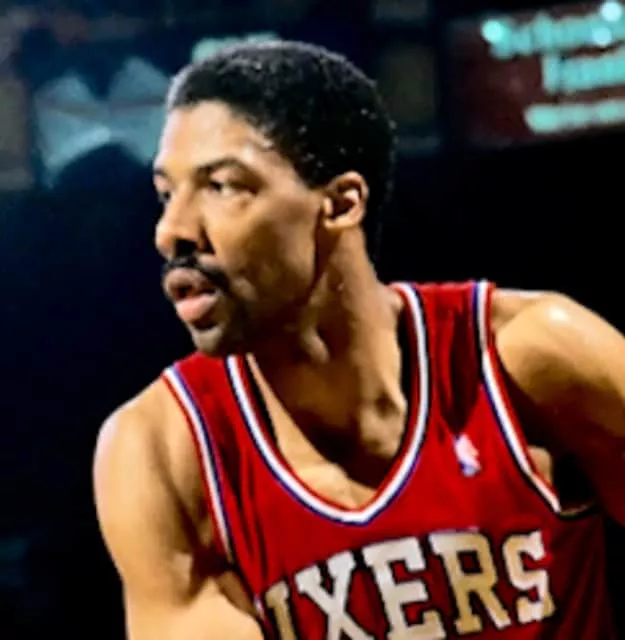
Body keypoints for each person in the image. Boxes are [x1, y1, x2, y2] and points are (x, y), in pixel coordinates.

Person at [94, 41, 625, 639]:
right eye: (167, 194)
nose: (172, 231)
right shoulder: (163, 453)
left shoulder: (533, 356)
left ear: (340, 204)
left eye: (221, 186)